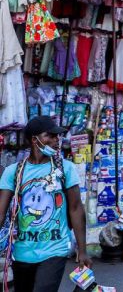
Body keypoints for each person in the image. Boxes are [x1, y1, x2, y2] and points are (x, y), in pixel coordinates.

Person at [0, 116, 91, 292]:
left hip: (55, 249)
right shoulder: (14, 172)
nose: (57, 140)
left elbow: (76, 209)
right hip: (22, 252)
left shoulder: (66, 168)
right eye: (51, 135)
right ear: (35, 140)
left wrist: (82, 250)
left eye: (58, 136)